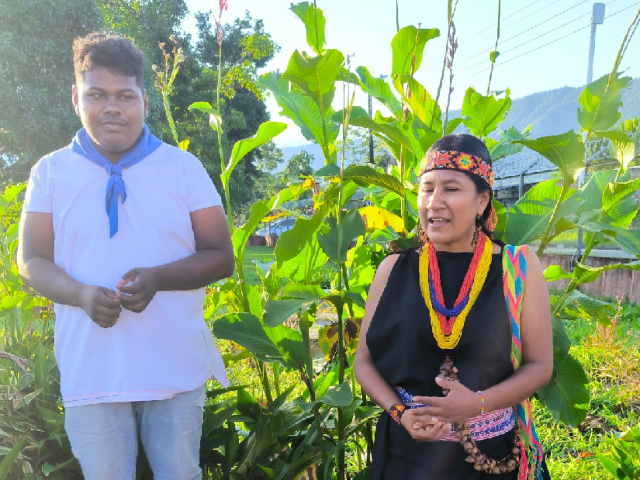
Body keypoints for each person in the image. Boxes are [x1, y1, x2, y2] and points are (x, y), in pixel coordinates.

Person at [17, 32, 234, 480]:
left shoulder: (182, 169)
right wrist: (79, 294)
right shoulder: (51, 172)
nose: (111, 106)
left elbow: (220, 256)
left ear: (144, 103)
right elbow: (31, 259)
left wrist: (157, 278)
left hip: (174, 369)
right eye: (96, 94)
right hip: (92, 373)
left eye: (125, 95)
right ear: (76, 97)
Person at [354, 134, 553, 480]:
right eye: (427, 189)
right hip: (405, 457)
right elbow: (363, 362)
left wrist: (477, 404)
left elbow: (539, 366)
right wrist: (400, 412)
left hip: (490, 458)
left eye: (451, 189)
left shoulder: (517, 268)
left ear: (482, 201)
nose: (434, 202)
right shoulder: (393, 269)